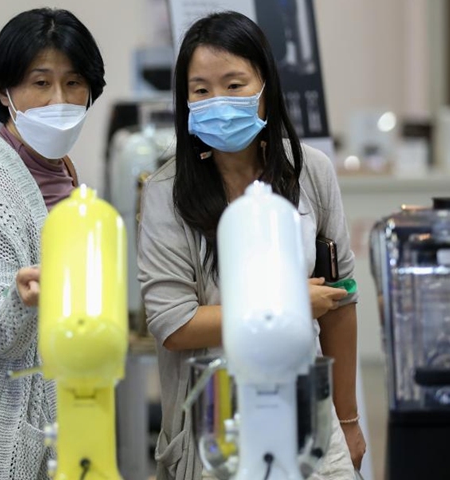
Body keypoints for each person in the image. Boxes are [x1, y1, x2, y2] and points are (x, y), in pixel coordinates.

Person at [136, 11, 366, 480]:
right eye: (201, 90)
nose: (218, 101)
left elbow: (340, 302)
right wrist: (288, 304)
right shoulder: (165, 192)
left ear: (265, 88)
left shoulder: (311, 171)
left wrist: (347, 420)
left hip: (309, 421)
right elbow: (173, 324)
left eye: (234, 84)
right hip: (215, 425)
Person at [0, 9, 105, 479]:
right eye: (40, 82)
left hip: (67, 415)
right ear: (4, 92)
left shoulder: (65, 173)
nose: (59, 100)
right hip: (1, 436)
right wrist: (23, 300)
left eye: (73, 83)